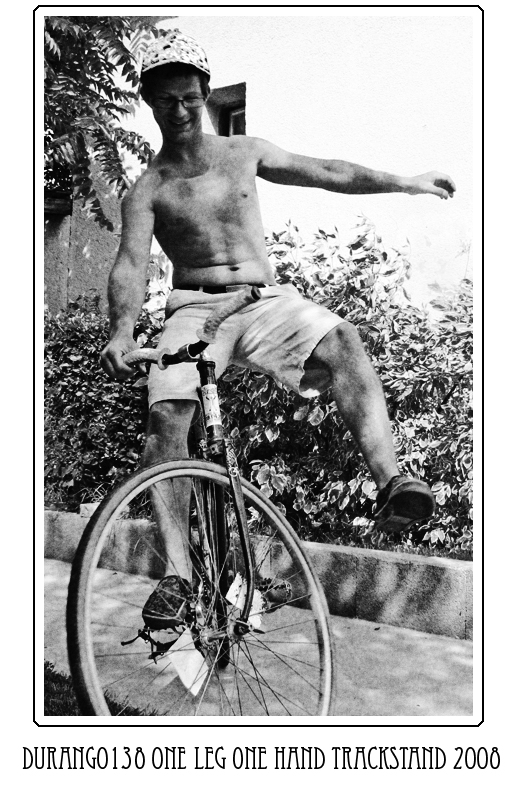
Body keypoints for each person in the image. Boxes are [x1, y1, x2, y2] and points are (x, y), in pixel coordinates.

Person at [100, 30, 456, 623]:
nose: (180, 111)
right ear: (149, 102)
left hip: (263, 299)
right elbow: (131, 264)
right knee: (166, 416)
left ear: (204, 95)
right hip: (194, 309)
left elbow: (325, 171)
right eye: (166, 101)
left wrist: (404, 181)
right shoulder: (148, 190)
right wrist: (121, 331)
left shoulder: (244, 152)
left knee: (342, 340)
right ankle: (178, 578)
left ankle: (394, 483)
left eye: (190, 98)